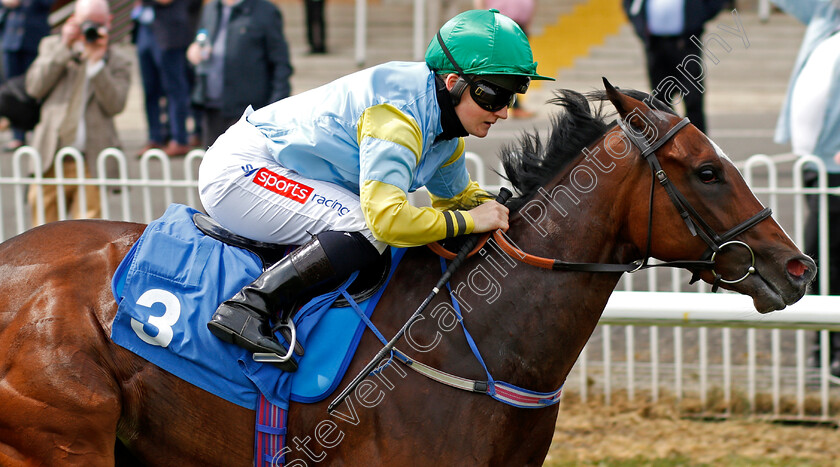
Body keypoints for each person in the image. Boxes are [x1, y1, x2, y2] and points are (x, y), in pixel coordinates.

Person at [197, 9, 554, 359]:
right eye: (492, 96)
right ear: (452, 83)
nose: (503, 112)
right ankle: (249, 307)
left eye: (510, 97)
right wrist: (474, 220)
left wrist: (521, 213)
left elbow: (459, 199)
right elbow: (388, 221)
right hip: (241, 171)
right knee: (366, 228)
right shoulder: (398, 118)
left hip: (278, 168)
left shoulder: (445, 134)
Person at [771, 0, 840, 376]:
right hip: (817, 166)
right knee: (822, 261)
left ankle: (832, 351)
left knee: (829, 260)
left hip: (833, 169)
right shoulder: (826, 15)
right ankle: (824, 349)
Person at [25, 0, 131, 225]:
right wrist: (65, 47)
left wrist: (96, 65)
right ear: (73, 19)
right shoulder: (52, 45)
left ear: (109, 22)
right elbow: (34, 87)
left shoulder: (117, 58)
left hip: (90, 159)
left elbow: (116, 104)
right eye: (86, 23)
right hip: (51, 155)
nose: (90, 29)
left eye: (97, 23)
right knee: (42, 230)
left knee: (86, 233)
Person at [186, 0, 292, 149]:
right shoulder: (211, 8)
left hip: (248, 112)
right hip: (212, 108)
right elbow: (202, 39)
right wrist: (194, 52)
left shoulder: (264, 11)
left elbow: (281, 64)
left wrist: (273, 111)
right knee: (214, 166)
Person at [622, 0, 727, 133]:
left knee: (692, 97)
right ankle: (668, 141)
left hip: (685, 44)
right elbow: (630, 6)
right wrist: (641, 29)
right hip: (656, 45)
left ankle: (697, 143)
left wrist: (697, 18)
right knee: (660, 99)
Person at [133, 0, 198, 157]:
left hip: (170, 30)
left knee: (175, 88)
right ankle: (155, 138)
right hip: (146, 28)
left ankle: (179, 139)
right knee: (150, 90)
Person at [0, 0, 52, 152]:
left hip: (34, 40)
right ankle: (18, 136)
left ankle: (39, 134)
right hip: (10, 41)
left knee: (38, 87)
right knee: (11, 92)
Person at [472, 0, 535, 118]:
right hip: (499, 24)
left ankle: (505, 104)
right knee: (504, 66)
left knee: (515, 67)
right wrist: (484, 22)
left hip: (519, 25)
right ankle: (503, 104)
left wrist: (528, 23)